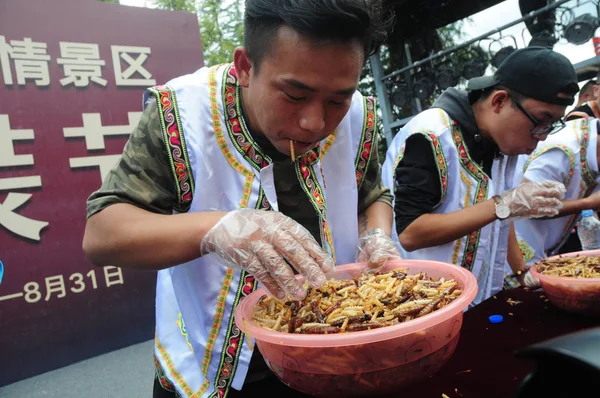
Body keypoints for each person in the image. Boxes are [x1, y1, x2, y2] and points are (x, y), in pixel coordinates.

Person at [82, 1, 400, 397]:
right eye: (295, 95)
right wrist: (218, 228)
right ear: (246, 67)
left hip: (330, 347)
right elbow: (101, 233)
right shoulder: (183, 114)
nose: (315, 123)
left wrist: (378, 236)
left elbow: (371, 194)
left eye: (337, 99)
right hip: (210, 363)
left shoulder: (356, 117)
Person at [382, 47, 579, 305]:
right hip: (422, 303)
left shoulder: (503, 143)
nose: (542, 136)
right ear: (499, 101)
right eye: (541, 121)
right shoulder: (431, 135)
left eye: (552, 125)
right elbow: (410, 233)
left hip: (481, 296)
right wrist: (503, 205)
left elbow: (501, 215)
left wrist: (521, 272)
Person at [512, 117, 600, 268]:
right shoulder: (562, 151)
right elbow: (525, 206)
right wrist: (588, 203)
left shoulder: (590, 141)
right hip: (515, 257)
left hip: (542, 252)